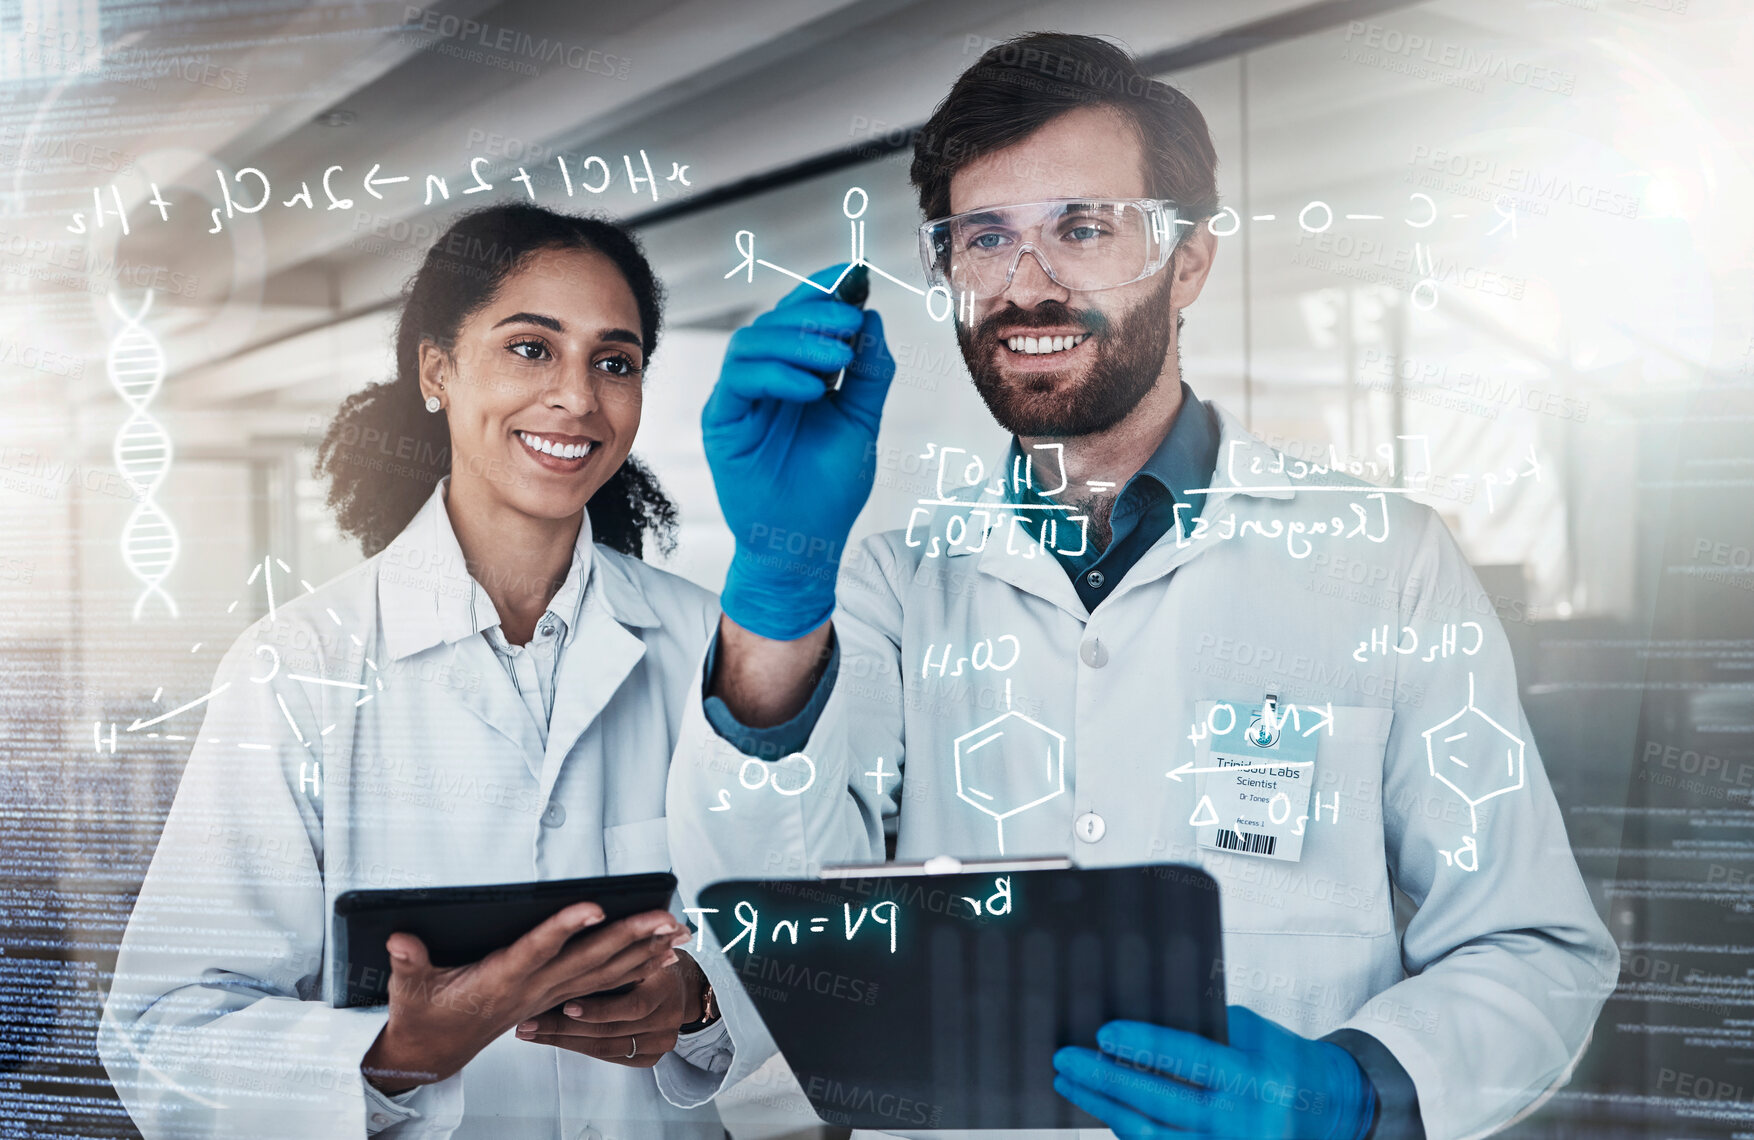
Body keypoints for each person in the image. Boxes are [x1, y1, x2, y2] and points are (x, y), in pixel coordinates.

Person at [668, 32, 1618, 1140]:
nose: (1026, 287)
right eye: (983, 239)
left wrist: (1357, 1091)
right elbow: (768, 930)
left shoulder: (1383, 559)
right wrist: (777, 580)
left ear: (1191, 261)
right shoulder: (893, 585)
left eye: (1081, 229)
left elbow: (1529, 945)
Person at [99, 204, 763, 1138]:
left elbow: (794, 950)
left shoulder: (707, 644)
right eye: (530, 349)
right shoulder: (301, 666)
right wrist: (399, 1055)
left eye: (613, 362)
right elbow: (163, 1033)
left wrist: (699, 1004)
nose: (576, 397)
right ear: (437, 371)